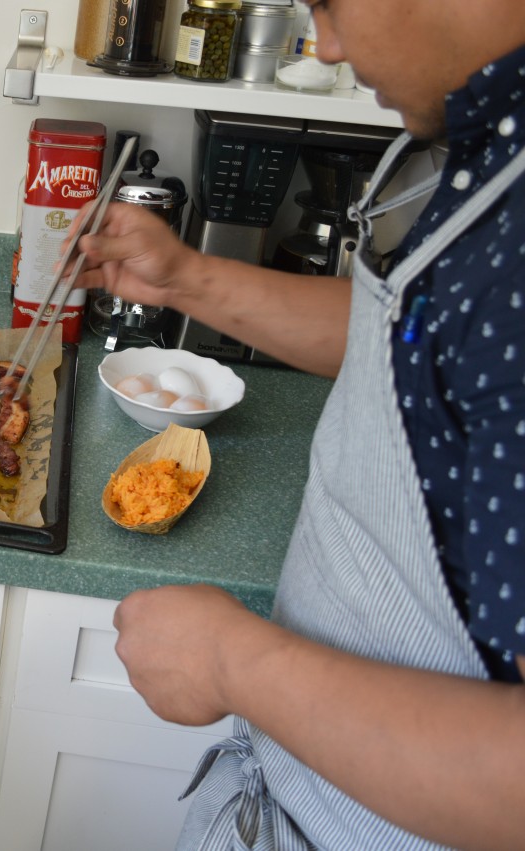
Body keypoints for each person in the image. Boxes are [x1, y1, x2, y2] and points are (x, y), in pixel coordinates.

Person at [69, 2, 525, 849]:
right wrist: (185, 278)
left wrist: (232, 662)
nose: (329, 45)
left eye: (329, 4)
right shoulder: (496, 152)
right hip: (296, 799)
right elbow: (410, 343)